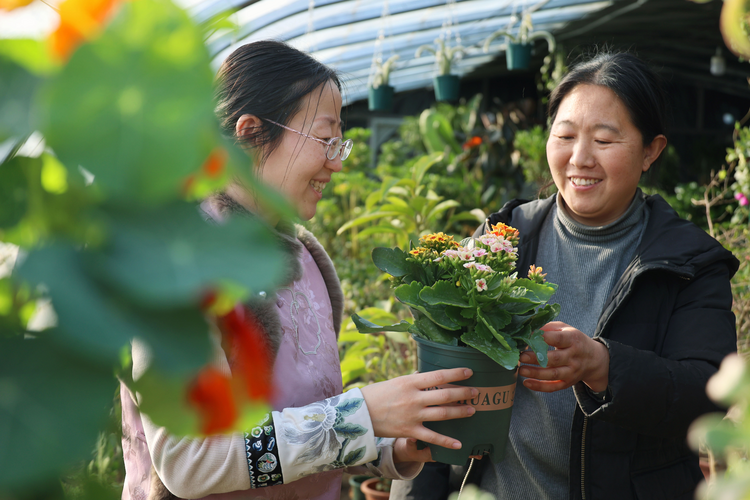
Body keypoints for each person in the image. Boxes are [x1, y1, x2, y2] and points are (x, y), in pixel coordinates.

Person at [120, 40, 479, 500]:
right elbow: (191, 462)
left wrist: (394, 443)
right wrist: (361, 416)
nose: (336, 162)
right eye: (325, 139)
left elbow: (308, 414)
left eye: (339, 142)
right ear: (250, 134)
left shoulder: (303, 258)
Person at [391, 51, 739, 500]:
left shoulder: (688, 263)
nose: (580, 158)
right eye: (566, 135)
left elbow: (706, 394)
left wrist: (602, 366)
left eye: (605, 140)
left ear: (651, 151)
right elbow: (437, 395)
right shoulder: (503, 240)